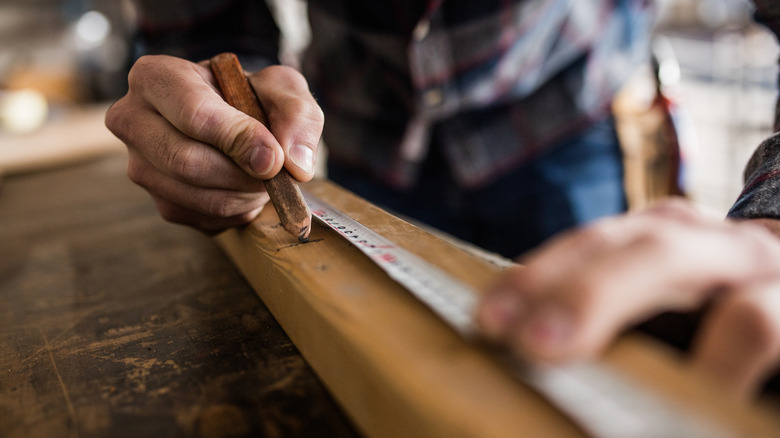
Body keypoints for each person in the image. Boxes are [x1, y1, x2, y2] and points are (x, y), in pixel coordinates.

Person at [106, 0, 780, 400]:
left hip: (564, 118)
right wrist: (203, 108)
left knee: (575, 374)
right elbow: (202, 24)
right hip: (366, 130)